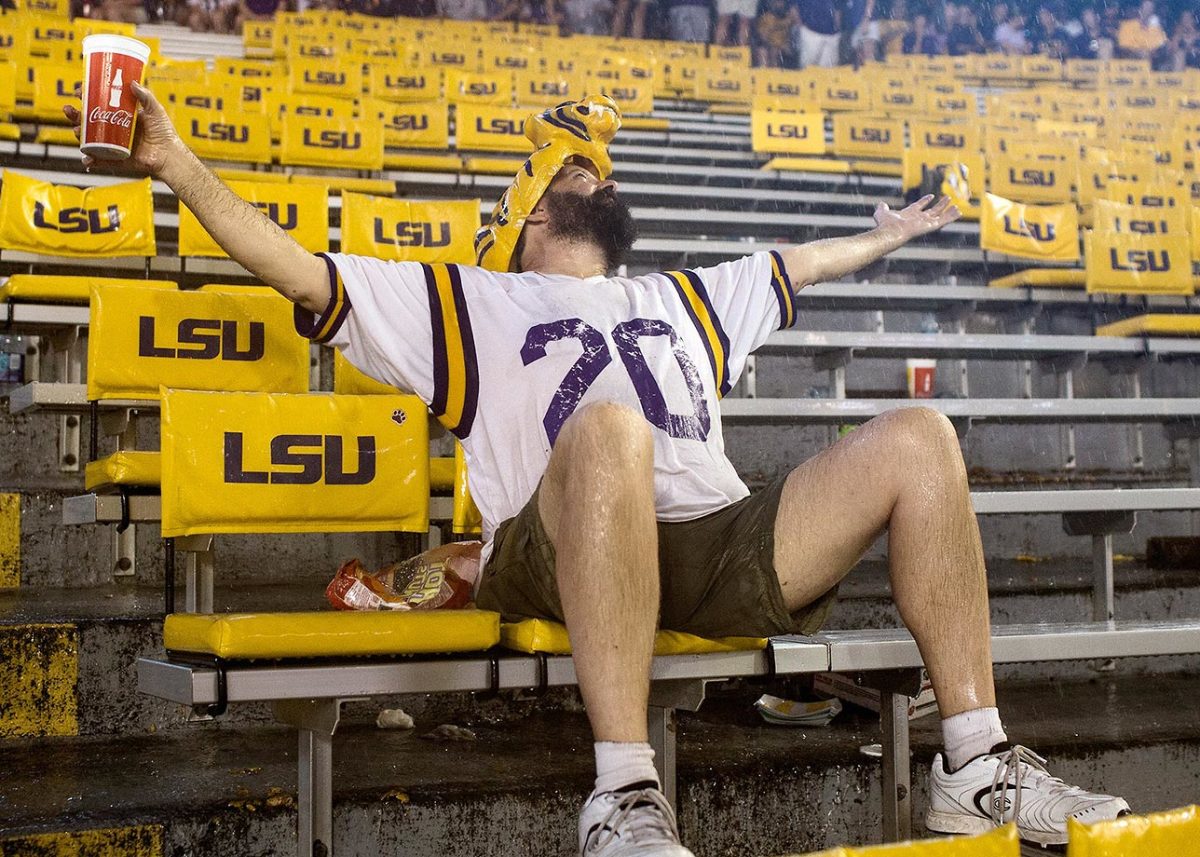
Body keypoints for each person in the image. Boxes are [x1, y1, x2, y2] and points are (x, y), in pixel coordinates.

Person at [64, 86, 1134, 857]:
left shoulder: (682, 294)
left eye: (602, 174)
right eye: (576, 171)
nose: (597, 176)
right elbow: (296, 267)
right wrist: (176, 164)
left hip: (710, 544)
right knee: (614, 427)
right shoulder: (466, 300)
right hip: (555, 539)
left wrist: (884, 235)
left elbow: (800, 265)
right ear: (529, 211)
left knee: (920, 436)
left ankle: (975, 763)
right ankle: (623, 796)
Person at [796, 0, 840, 67]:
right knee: (807, 67)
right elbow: (793, 5)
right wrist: (801, 26)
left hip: (831, 35)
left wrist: (837, 28)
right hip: (810, 32)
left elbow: (839, 7)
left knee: (828, 69)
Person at [756, 0, 798, 67]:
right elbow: (763, 38)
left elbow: (798, 29)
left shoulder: (789, 16)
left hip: (786, 46)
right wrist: (777, 45)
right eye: (777, 2)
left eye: (781, 2)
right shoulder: (767, 18)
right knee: (768, 51)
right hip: (771, 46)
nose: (779, 4)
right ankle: (766, 72)